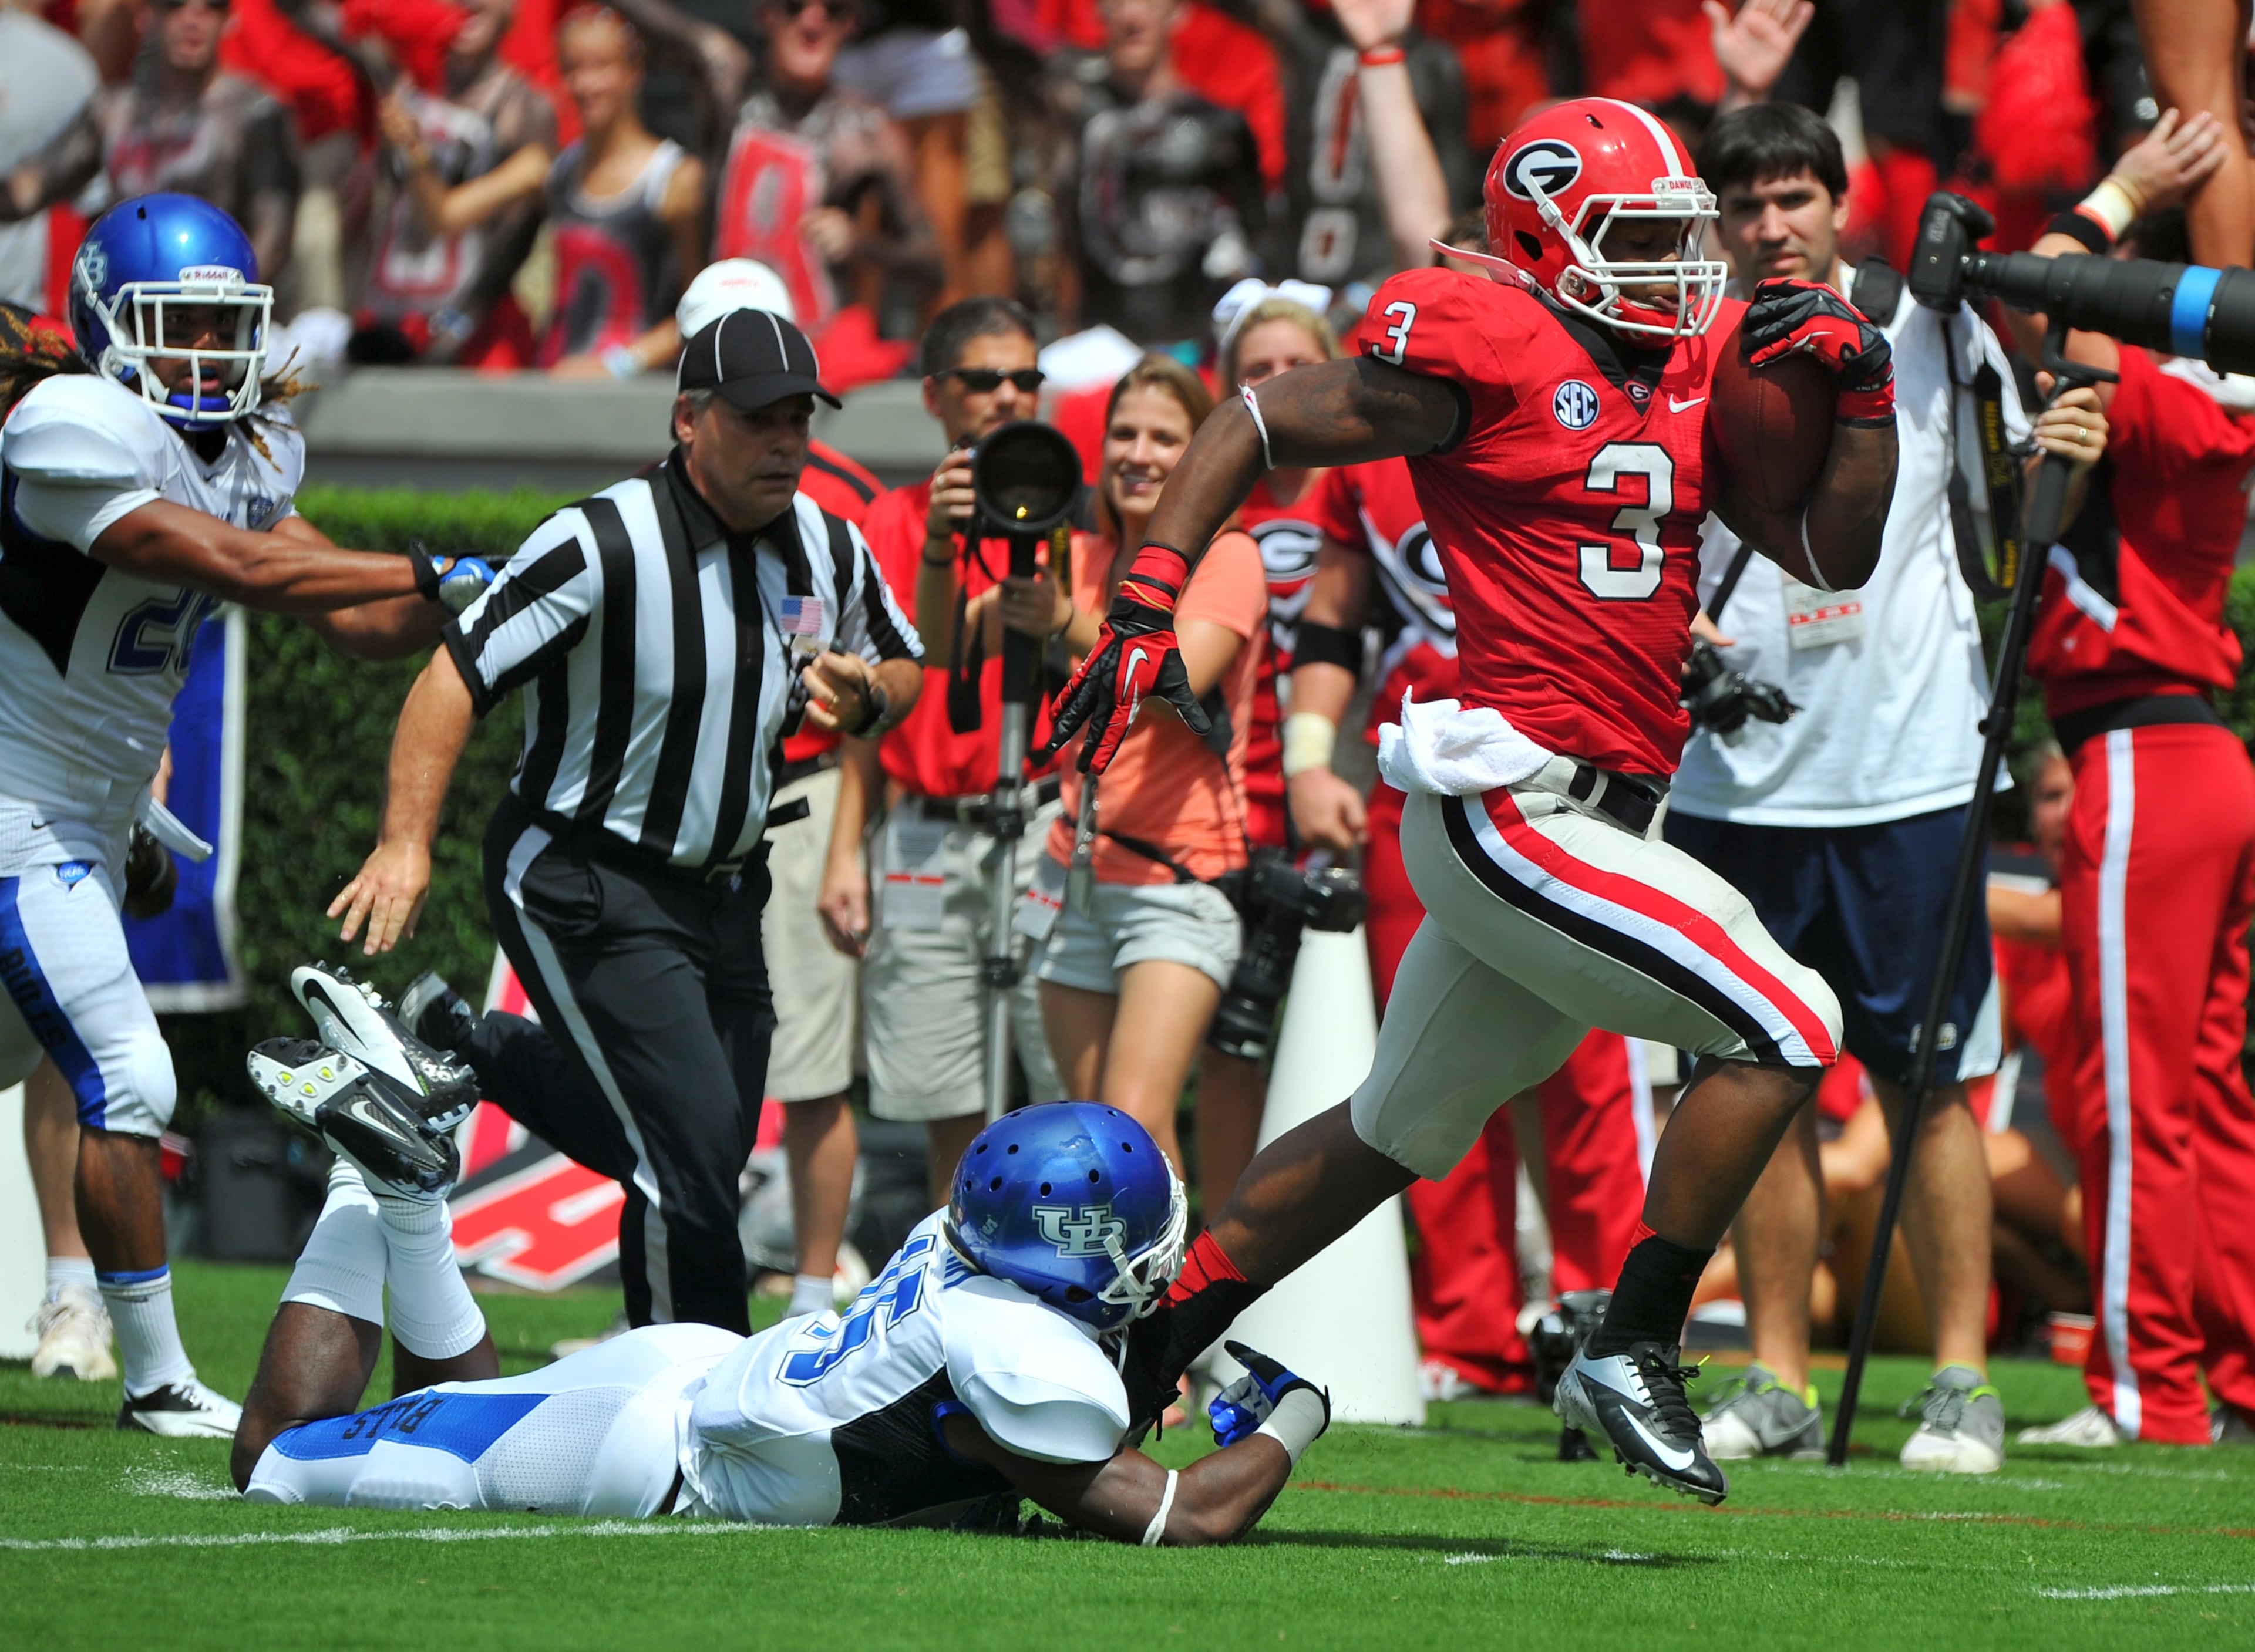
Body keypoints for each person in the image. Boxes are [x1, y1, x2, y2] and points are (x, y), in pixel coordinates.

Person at [1037, 96, 1907, 1506]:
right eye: (1631, 238)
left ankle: (1129, 1360)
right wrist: (1149, 584)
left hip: (1602, 815)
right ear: (1539, 239)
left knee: (1394, 1130)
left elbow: (1830, 546)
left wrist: (1859, 397)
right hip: (1510, 803)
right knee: (1788, 1018)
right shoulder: (1482, 340)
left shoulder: (1689, 364)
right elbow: (1255, 415)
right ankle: (1633, 1341)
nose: (1673, 267)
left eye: (1676, 234)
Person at [0, 193, 496, 1436]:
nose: (204, 359)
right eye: (174, 329)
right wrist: (423, 565)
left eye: (224, 329)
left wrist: (472, 599)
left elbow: (355, 619)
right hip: (18, 809)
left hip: (90, 816)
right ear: (107, 327)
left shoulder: (247, 454)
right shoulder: (74, 432)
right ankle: (158, 1379)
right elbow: (240, 568)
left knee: (39, 1065)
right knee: (128, 1072)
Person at [1664, 102, 2107, 1474]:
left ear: (1836, 205)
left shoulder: (1924, 324)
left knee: (1932, 1085)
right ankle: (1778, 1379)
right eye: (1743, 205)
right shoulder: (1678, 349)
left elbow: (2019, 498)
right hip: (1730, 781)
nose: (1770, 225)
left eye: (1793, 197)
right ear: (1716, 225)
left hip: (1908, 771)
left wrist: (2069, 461)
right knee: (1749, 1078)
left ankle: (1964, 1386)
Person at [335, 308, 924, 1337]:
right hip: (583, 875)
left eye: (800, 418)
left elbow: (907, 659)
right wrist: (405, 839)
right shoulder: (601, 540)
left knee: (703, 1144)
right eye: (759, 420)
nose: (787, 441)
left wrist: (871, 693)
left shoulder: (829, 545)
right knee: (688, 1156)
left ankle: (478, 1048)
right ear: (688, 419)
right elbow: (456, 672)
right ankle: (703, 1389)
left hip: (730, 888)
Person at [230, 1074, 1330, 1546]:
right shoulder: (1018, 1346)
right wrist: (1297, 1413)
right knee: (272, 1460)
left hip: (690, 1377)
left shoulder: (962, 1248)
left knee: (460, 1410)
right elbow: (1190, 1514)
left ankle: (412, 1204)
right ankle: (358, 1186)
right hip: (637, 1450)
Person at [1288, 433, 1656, 1404]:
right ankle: (1469, 1325)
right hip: (1424, 770)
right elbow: (1332, 624)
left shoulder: (1568, 420)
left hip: (1562, 762)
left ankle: (1610, 1318)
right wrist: (1306, 755)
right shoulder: (1367, 459)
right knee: (1431, 1051)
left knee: (1588, 1056)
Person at [2012, 203, 2255, 1449]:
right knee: (2207, 1098)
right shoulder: (2207, 390)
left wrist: (2112, 195)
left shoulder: (2163, 382)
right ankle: (2235, 1371)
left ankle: (2147, 1388)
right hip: (2198, 748)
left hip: (2144, 752)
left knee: (2135, 1098)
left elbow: (2062, 291)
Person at [822, 295, 1067, 1210]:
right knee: (944, 1107)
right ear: (934, 395)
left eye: (1026, 378)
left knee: (1071, 1092)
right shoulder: (890, 520)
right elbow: (872, 704)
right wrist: (848, 850)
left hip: (1044, 824)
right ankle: (952, 1303)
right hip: (923, 831)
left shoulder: (1072, 506)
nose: (1009, 396)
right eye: (984, 379)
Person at [668, 259, 879, 1323]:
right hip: (673, 826)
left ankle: (808, 1289)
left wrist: (848, 846)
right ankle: (675, 1284)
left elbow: (875, 678)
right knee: (673, 1066)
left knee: (806, 1069)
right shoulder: (654, 500)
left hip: (793, 810)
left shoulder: (830, 509)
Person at [1012, 355, 1267, 1206]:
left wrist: (1062, 619)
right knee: (1086, 1134)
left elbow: (1176, 684)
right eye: (1125, 433)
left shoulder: (1230, 556)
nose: (1140, 453)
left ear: (1205, 457)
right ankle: (1109, 1333)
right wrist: (953, 542)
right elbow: (946, 648)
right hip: (1071, 873)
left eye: (1168, 437)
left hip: (1180, 882)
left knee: (1131, 1131)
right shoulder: (1076, 553)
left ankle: (1169, 1329)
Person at [711, 0, 940, 338]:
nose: (813, 22)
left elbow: (933, 263)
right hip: (720, 335)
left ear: (849, 25)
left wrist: (861, 243)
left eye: (833, 10)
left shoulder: (868, 128)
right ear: (765, 16)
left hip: (815, 349)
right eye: (794, 6)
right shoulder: (728, 96)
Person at [1045, 0, 1266, 346]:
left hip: (1198, 344)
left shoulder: (1221, 126)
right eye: (1118, 4)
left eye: (1149, 2)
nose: (1133, 16)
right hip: (1097, 346)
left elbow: (1255, 237)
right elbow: (1055, 231)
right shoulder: (1068, 116)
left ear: (1176, 12)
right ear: (1099, 13)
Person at [361, 0, 557, 366]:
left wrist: (414, 149)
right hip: (389, 316)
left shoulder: (529, 108)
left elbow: (446, 220)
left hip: (479, 330)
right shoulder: (403, 86)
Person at [539, 5, 707, 378]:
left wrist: (616, 365)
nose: (585, 84)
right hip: (555, 379)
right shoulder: (562, 171)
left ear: (634, 72)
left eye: (601, 67)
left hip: (632, 394)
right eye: (572, 69)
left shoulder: (675, 178)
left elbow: (700, 309)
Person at [96, 0, 302, 285]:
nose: (193, 18)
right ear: (146, 15)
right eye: (175, 4)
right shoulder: (115, 112)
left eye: (213, 6)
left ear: (230, 19)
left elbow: (275, 236)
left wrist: (214, 308)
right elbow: (32, 186)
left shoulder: (256, 113)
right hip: (124, 302)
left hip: (218, 306)